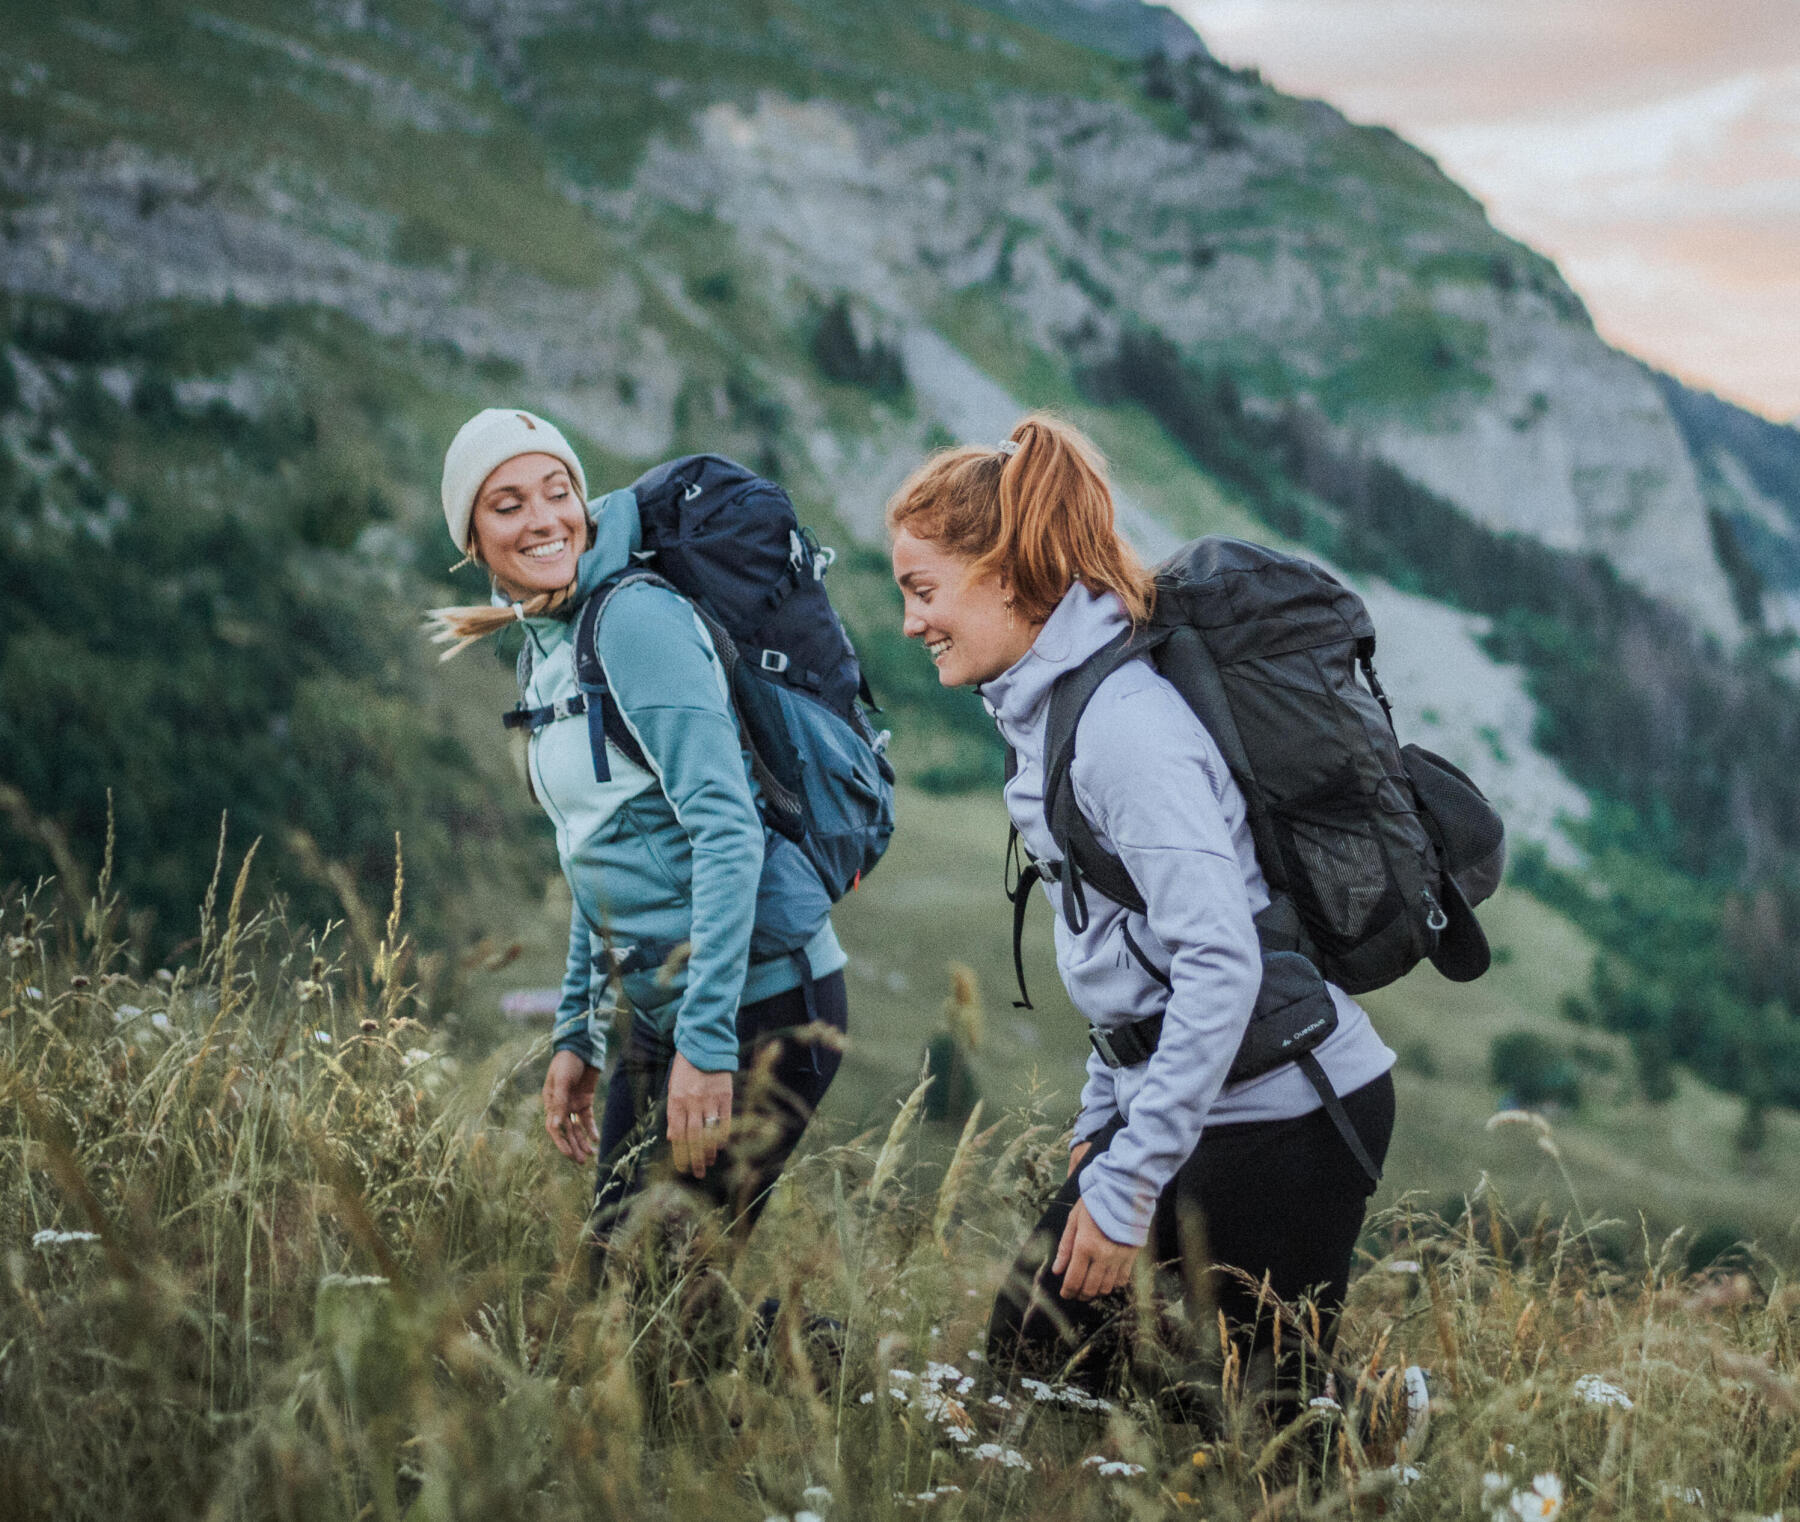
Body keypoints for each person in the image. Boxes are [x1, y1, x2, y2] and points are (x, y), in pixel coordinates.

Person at [886, 415, 1399, 1416]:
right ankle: (1369, 1417)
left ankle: (1383, 1424)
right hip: (1209, 1103)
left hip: (1286, 1116)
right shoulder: (1050, 712)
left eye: (922, 587)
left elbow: (1218, 962)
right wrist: (1101, 1127)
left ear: (1003, 572)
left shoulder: (1123, 728)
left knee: (1274, 1446)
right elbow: (1121, 959)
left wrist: (1127, 1183)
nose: (911, 620)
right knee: (1045, 1370)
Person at [427, 408, 849, 1271]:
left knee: (658, 1302)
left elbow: (726, 829)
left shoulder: (633, 623)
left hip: (763, 1005)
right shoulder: (545, 648)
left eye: (558, 491)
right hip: (665, 1006)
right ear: (471, 538)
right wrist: (579, 1030)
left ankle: (856, 1387)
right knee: (617, 1286)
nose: (544, 519)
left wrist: (706, 1044)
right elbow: (599, 849)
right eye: (507, 504)